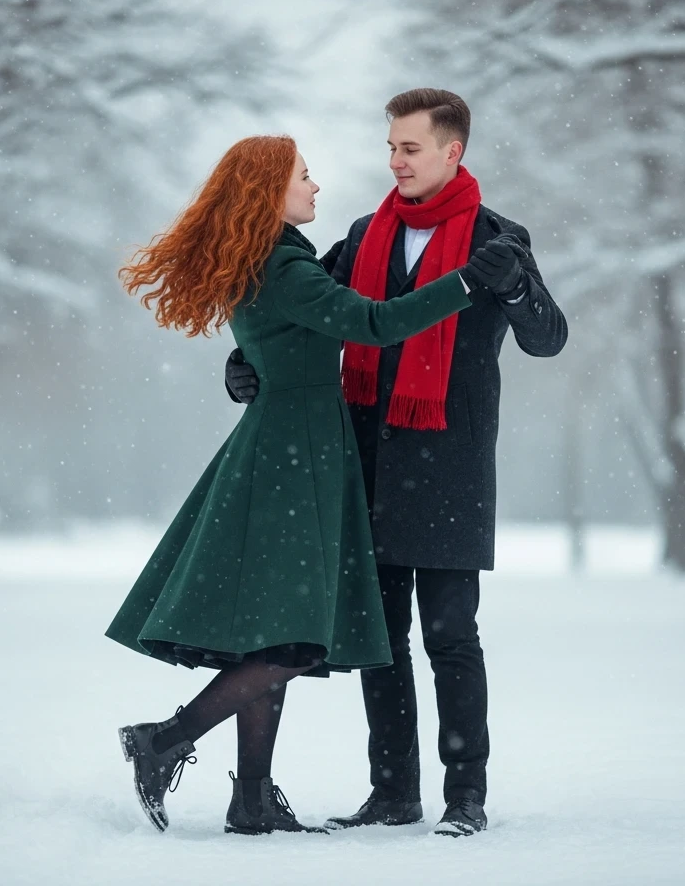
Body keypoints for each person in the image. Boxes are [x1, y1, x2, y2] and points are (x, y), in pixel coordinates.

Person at [106, 134, 499, 836]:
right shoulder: (284, 265)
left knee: (274, 635)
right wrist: (467, 282)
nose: (316, 188)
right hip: (295, 455)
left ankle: (251, 801)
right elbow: (373, 325)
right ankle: (162, 741)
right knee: (294, 643)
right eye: (304, 177)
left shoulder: (273, 261)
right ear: (270, 192)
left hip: (292, 450)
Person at [225, 90, 568, 837]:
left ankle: (465, 795)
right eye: (390, 147)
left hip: (452, 466)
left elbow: (549, 338)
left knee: (451, 637)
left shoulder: (498, 240)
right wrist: (242, 364)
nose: (395, 161)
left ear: (453, 152)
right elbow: (295, 313)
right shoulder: (361, 235)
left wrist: (511, 285)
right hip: (366, 463)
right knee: (381, 640)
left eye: (410, 148)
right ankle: (393, 791)